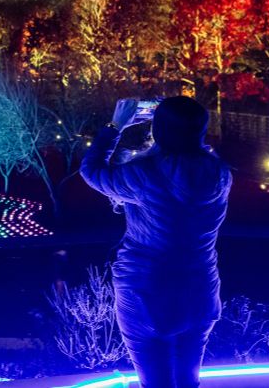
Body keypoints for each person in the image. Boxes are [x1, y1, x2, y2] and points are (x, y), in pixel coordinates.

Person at [79, 96, 232, 388]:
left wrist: (116, 126)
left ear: (157, 129)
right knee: (188, 382)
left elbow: (92, 171)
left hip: (147, 290)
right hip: (201, 290)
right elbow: (190, 156)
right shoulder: (219, 174)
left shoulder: (144, 175)